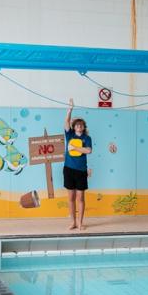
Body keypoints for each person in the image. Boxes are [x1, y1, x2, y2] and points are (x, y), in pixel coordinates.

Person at [63, 99, 93, 231]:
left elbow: (89, 150)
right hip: (69, 169)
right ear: (74, 127)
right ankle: (73, 222)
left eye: (81, 125)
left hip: (81, 171)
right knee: (71, 198)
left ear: (83, 127)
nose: (79, 127)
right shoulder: (69, 135)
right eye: (77, 125)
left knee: (80, 197)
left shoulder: (87, 138)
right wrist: (70, 109)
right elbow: (66, 123)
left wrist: (74, 148)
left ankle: (80, 222)